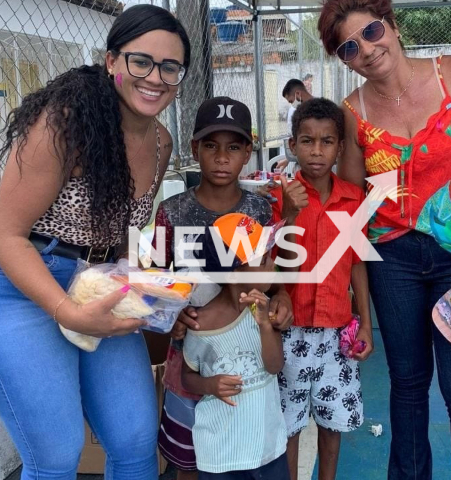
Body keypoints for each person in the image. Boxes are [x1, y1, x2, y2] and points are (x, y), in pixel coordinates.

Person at [0, 5, 190, 479]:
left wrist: (147, 288)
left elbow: (124, 233)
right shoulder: (63, 127)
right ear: (112, 62)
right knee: (57, 455)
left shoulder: (161, 143)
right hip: (13, 286)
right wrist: (67, 311)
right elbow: (4, 236)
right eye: (141, 61)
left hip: (96, 284)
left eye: (169, 67)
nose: (155, 77)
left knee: (136, 439)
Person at [318, 0, 451, 478]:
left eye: (372, 32)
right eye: (350, 47)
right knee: (408, 385)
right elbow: (354, 200)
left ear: (391, 25)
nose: (367, 49)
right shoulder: (353, 112)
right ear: (343, 59)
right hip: (393, 262)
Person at [153, 97, 293, 480]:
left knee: (245, 451)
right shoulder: (173, 212)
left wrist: (281, 298)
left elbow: (273, 273)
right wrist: (172, 312)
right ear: (195, 148)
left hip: (245, 357)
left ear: (248, 151)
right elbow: (156, 282)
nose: (221, 157)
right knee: (190, 460)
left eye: (233, 147)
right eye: (211, 146)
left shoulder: (260, 211)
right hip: (190, 356)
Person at [269, 98, 374, 480]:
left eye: (326, 141)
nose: (316, 151)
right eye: (307, 141)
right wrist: (288, 214)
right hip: (289, 329)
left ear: (340, 148)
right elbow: (270, 261)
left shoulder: (353, 199)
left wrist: (364, 320)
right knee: (289, 424)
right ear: (293, 145)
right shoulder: (279, 198)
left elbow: (358, 263)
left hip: (338, 330)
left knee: (334, 424)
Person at [181, 213, 289, 479]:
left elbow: (275, 366)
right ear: (234, 272)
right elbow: (187, 377)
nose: (272, 263)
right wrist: (209, 385)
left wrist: (266, 325)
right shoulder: (200, 325)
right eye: (263, 259)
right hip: (220, 457)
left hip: (269, 448)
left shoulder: (264, 309)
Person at [281, 79, 314, 166]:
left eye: (291, 101)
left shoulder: (316, 110)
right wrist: (288, 159)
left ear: (298, 94)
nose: (292, 105)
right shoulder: (301, 111)